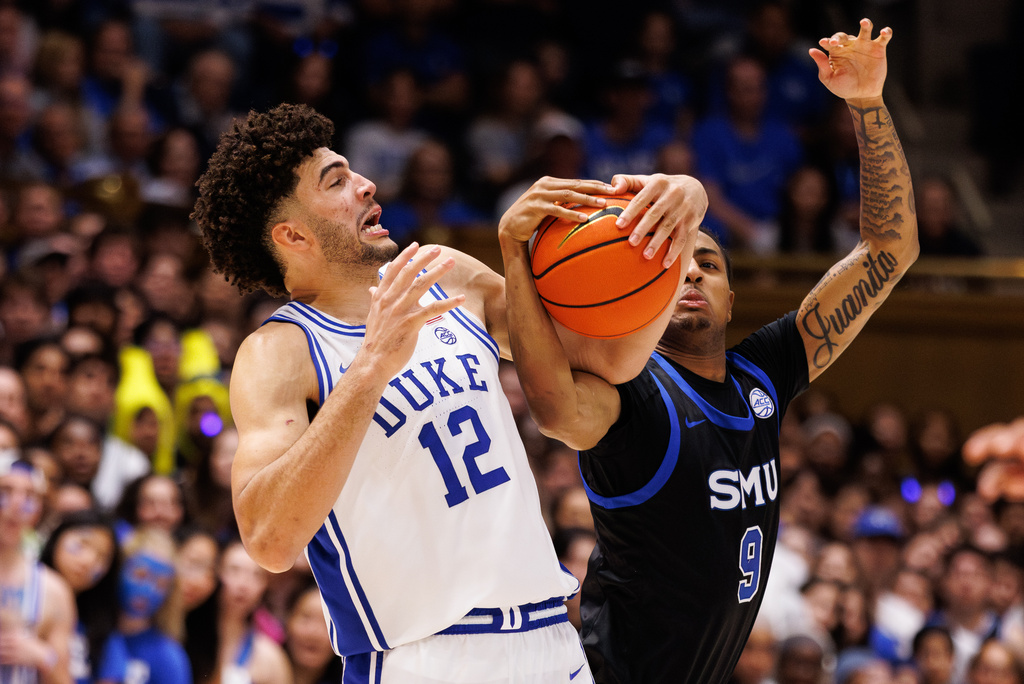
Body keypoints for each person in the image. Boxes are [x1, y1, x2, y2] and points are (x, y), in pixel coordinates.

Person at [190, 101, 704, 682]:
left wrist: (683, 211)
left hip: (551, 641)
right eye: (337, 181)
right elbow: (269, 539)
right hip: (425, 656)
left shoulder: (444, 273)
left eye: (352, 170)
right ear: (291, 234)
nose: (366, 185)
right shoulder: (277, 353)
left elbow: (605, 357)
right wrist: (369, 369)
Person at [498, 18, 919, 684]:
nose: (691, 274)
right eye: (672, 265)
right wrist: (517, 260)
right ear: (642, 294)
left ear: (730, 300)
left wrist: (867, 104)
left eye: (710, 265)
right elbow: (553, 412)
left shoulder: (766, 371)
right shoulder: (635, 391)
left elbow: (889, 252)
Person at [0, 454, 75, 684]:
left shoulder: (53, 590)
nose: (17, 505)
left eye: (29, 496)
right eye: (6, 491)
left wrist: (43, 657)